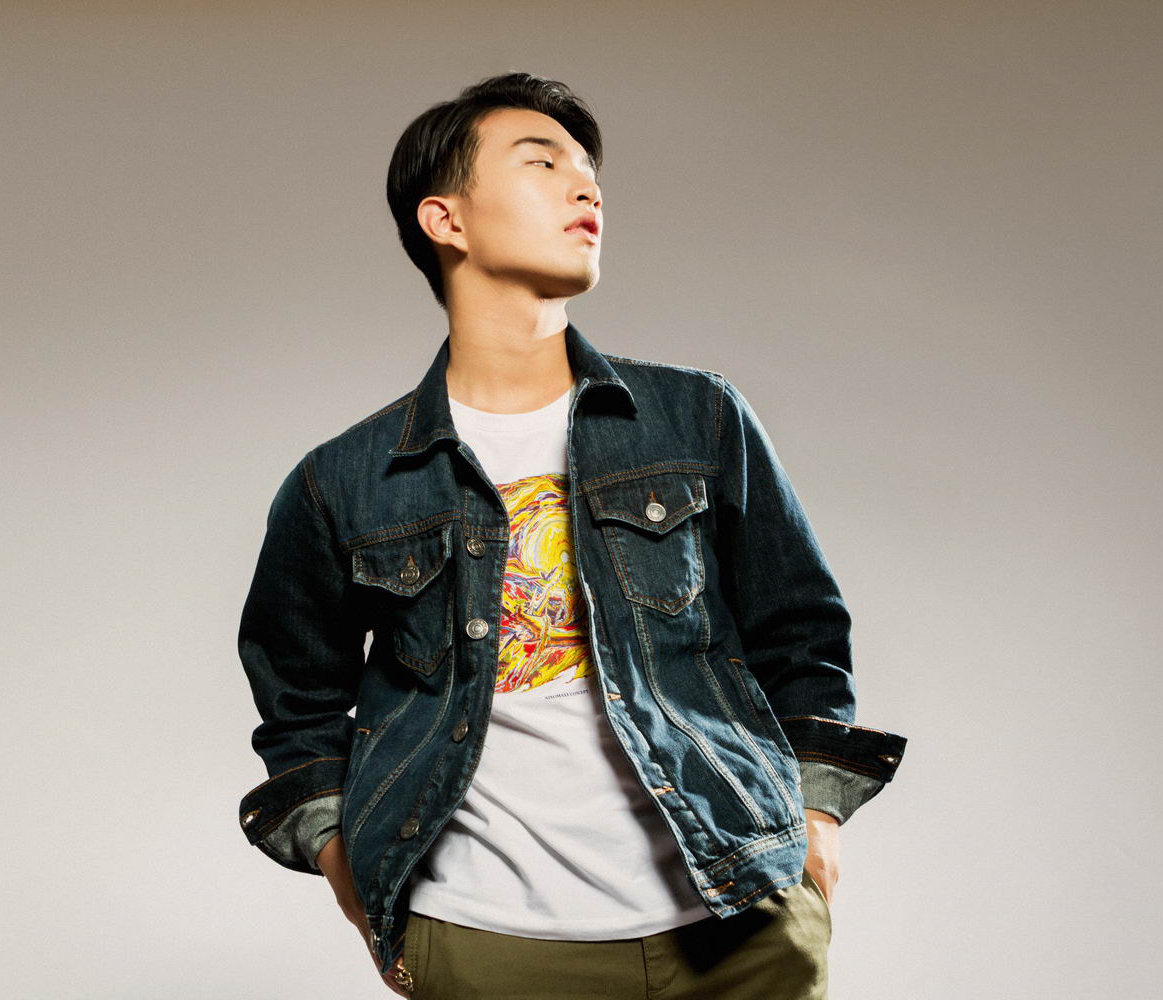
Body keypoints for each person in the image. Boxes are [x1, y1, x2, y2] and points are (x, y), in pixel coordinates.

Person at [233, 71, 907, 998]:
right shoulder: (342, 482)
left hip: (738, 929)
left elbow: (802, 636)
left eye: (589, 170)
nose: (586, 186)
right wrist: (352, 875)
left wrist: (815, 828)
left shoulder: (695, 417)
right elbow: (298, 708)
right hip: (488, 948)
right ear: (445, 220)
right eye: (542, 163)